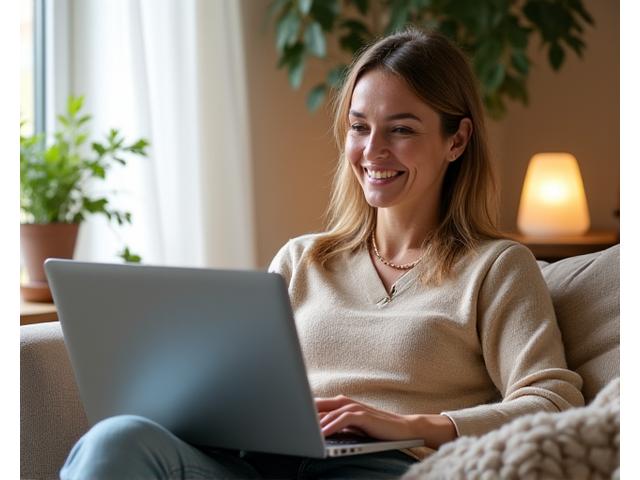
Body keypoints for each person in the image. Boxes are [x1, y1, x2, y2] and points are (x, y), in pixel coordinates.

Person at [60, 28, 584, 480]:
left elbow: (555, 403)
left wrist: (410, 426)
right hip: (263, 465)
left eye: (401, 129)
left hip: (385, 468)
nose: (373, 150)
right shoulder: (300, 261)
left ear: (457, 140)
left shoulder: (496, 267)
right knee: (117, 440)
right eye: (359, 127)